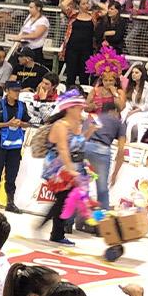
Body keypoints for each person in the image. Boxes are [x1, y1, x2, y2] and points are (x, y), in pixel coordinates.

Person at [38, 91, 89, 246]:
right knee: (63, 199)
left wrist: (90, 131)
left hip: (69, 166)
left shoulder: (77, 125)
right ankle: (55, 232)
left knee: (63, 199)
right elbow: (63, 148)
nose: (82, 109)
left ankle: (51, 229)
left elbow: (78, 144)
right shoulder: (60, 125)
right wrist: (70, 169)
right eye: (79, 106)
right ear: (70, 108)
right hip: (57, 168)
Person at [0, 80, 27, 213]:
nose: (17, 93)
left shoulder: (22, 106)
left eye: (18, 91)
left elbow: (29, 123)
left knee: (12, 174)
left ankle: (10, 202)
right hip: (0, 144)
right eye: (14, 90)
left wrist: (21, 123)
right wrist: (7, 124)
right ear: (7, 91)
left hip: (15, 145)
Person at [9, 0, 50, 65]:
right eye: (29, 7)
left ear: (38, 8)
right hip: (24, 47)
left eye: (31, 7)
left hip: (35, 49)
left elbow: (36, 35)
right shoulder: (29, 17)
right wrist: (18, 39)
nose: (29, 9)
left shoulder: (43, 20)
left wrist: (22, 37)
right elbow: (23, 30)